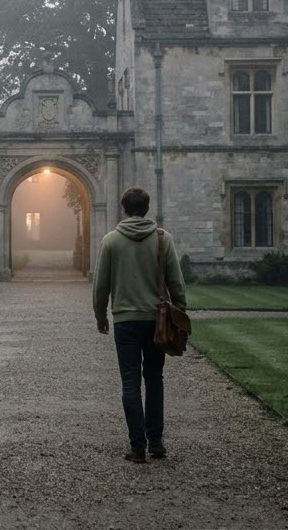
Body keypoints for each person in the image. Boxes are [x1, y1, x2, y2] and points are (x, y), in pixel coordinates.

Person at [92, 186, 186, 464]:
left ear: (124, 208)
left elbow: (101, 286)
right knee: (155, 378)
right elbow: (175, 282)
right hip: (156, 319)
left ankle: (137, 447)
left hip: (125, 321)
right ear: (146, 208)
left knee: (130, 382)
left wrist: (100, 316)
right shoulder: (162, 238)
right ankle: (156, 441)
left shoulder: (111, 241)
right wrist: (180, 311)